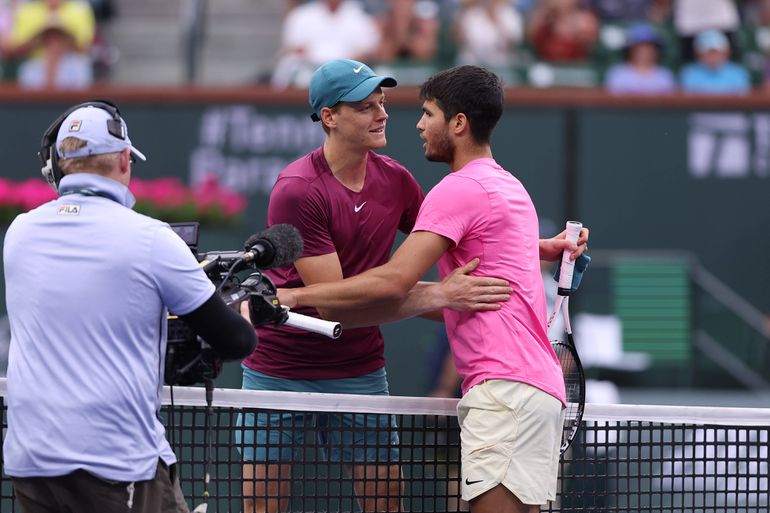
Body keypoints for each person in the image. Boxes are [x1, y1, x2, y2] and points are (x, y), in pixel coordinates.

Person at [277, 65, 589, 513]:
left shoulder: (455, 189)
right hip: (535, 390)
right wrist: (541, 247)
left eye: (428, 114)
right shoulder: (510, 187)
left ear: (457, 123)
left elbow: (394, 280)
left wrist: (290, 297)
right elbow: (484, 237)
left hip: (505, 393)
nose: (418, 125)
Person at [238, 58, 513, 513]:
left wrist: (537, 246)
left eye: (381, 103)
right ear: (329, 117)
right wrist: (442, 295)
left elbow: (453, 237)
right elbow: (336, 308)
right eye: (366, 106)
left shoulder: (397, 180)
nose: (382, 114)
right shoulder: (298, 189)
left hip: (359, 370)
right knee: (261, 507)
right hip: (278, 371)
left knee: (387, 503)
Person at [2, 101, 258, 513]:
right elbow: (235, 340)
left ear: (58, 165)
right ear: (124, 160)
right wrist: (243, 312)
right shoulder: (152, 239)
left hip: (31, 464)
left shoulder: (19, 232)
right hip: (116, 465)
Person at [604, 22, 676, 95]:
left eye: (649, 47)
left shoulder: (664, 76)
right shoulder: (617, 74)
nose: (644, 52)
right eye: (639, 47)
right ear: (630, 49)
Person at [680, 29, 750, 95]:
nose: (713, 57)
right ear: (698, 54)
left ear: (726, 53)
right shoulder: (689, 74)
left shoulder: (737, 73)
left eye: (716, 52)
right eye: (708, 53)